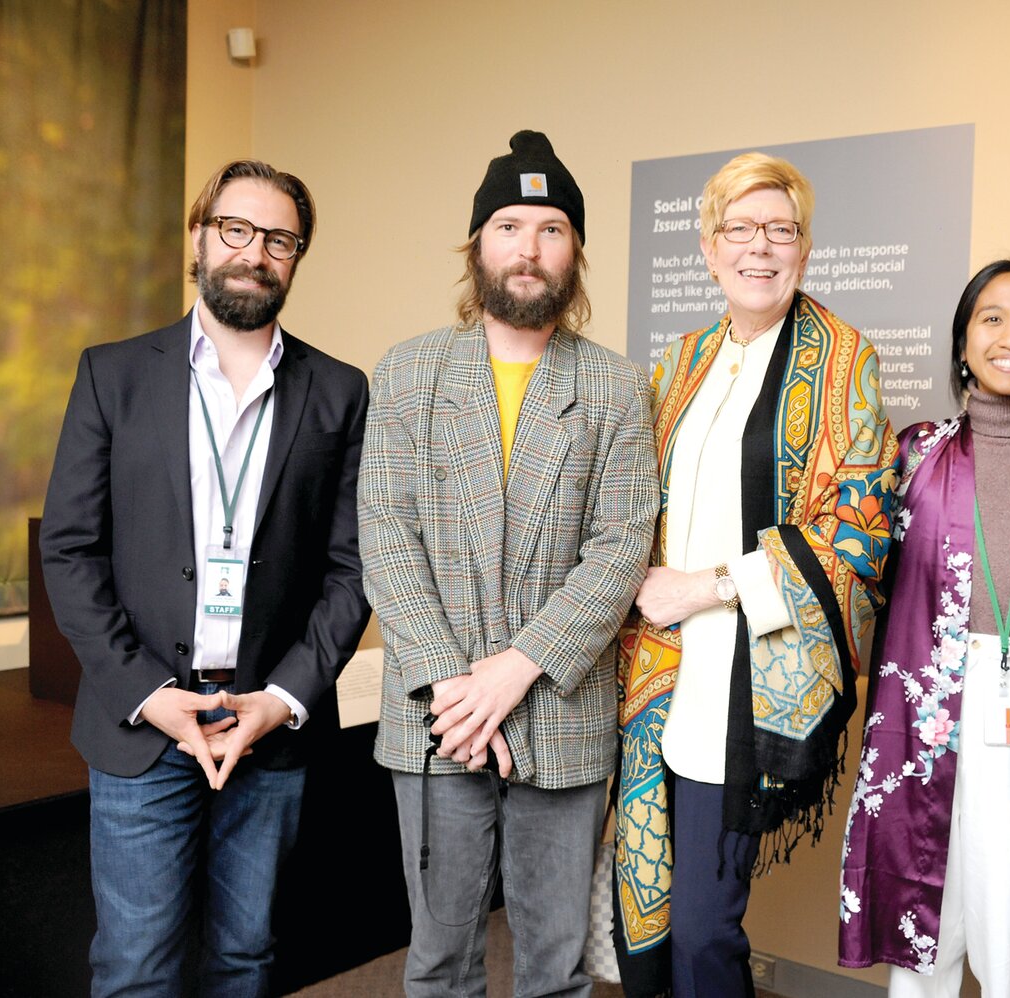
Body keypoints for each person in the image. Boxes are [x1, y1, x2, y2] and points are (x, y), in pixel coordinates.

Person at [40, 159, 371, 996]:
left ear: (297, 257)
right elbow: (71, 552)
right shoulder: (111, 375)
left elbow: (351, 569)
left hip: (268, 729)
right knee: (135, 968)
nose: (253, 252)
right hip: (144, 727)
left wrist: (282, 698)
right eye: (235, 229)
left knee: (246, 960)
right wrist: (148, 693)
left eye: (278, 239)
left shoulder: (338, 392)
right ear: (199, 235)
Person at [359, 129, 658, 998]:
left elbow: (619, 547)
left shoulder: (613, 387)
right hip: (434, 720)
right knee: (440, 961)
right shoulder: (409, 373)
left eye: (552, 229)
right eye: (509, 226)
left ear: (576, 253)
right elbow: (386, 536)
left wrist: (515, 672)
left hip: (559, 715)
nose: (528, 248)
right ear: (477, 245)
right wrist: (459, 688)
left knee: (555, 968)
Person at [615, 152, 898, 998]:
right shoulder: (676, 365)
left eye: (780, 230)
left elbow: (860, 526)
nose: (760, 247)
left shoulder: (844, 359)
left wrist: (706, 587)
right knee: (648, 914)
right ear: (708, 249)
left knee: (704, 930)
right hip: (653, 675)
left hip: (748, 681)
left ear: (804, 251)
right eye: (739, 229)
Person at [839, 259, 1010, 998]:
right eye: (990, 317)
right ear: (962, 342)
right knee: (925, 913)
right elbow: (856, 575)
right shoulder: (915, 456)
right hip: (924, 700)